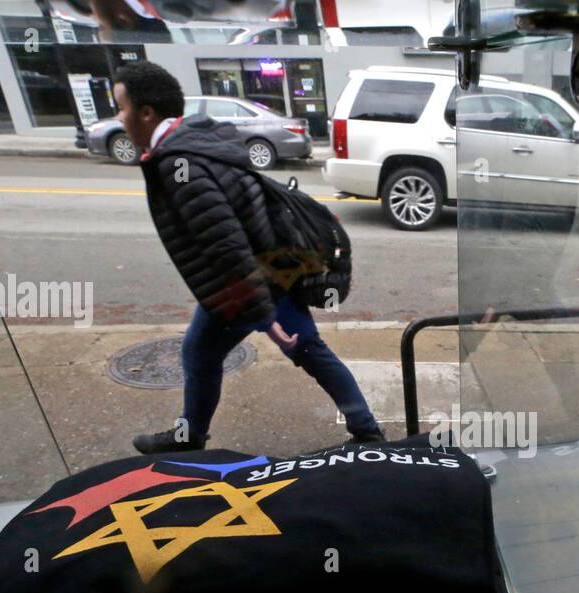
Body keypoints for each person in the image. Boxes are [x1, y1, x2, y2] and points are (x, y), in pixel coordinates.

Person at [113, 61, 383, 454]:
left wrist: (263, 316)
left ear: (146, 112)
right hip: (272, 264)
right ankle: (366, 428)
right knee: (303, 347)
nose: (118, 119)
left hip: (251, 278)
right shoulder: (196, 140)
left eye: (120, 107)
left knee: (207, 351)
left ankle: (190, 438)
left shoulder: (178, 162)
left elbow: (224, 243)